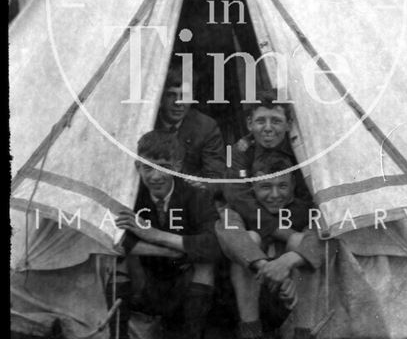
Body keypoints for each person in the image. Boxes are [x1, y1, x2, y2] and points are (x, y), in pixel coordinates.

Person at [115, 131, 222, 339]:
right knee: (118, 262)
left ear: (178, 167)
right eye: (148, 168)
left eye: (164, 167)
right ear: (138, 167)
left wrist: (155, 235)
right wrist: (165, 250)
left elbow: (213, 244)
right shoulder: (130, 195)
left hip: (183, 280)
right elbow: (114, 238)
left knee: (205, 264)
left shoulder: (195, 195)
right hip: (146, 278)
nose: (155, 176)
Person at [217, 155, 324, 339]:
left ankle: (303, 333)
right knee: (249, 238)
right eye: (266, 187)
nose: (274, 195)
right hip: (243, 300)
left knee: (301, 241)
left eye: (282, 186)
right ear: (253, 188)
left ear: (292, 187)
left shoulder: (305, 210)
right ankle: (251, 333)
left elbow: (320, 238)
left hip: (292, 298)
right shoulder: (240, 209)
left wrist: (286, 263)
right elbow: (228, 230)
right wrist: (267, 267)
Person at [223, 88, 314, 240]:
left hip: (292, 218)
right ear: (249, 124)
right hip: (253, 222)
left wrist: (283, 225)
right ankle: (260, 263)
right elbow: (237, 195)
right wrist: (277, 230)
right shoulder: (239, 151)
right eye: (260, 121)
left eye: (276, 121)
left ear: (289, 124)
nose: (268, 128)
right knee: (229, 217)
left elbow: (306, 198)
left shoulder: (300, 153)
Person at [153, 63, 225, 188]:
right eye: (171, 95)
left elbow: (216, 175)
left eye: (185, 95)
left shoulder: (206, 127)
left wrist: (204, 183)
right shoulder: (147, 123)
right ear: (160, 98)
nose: (178, 102)